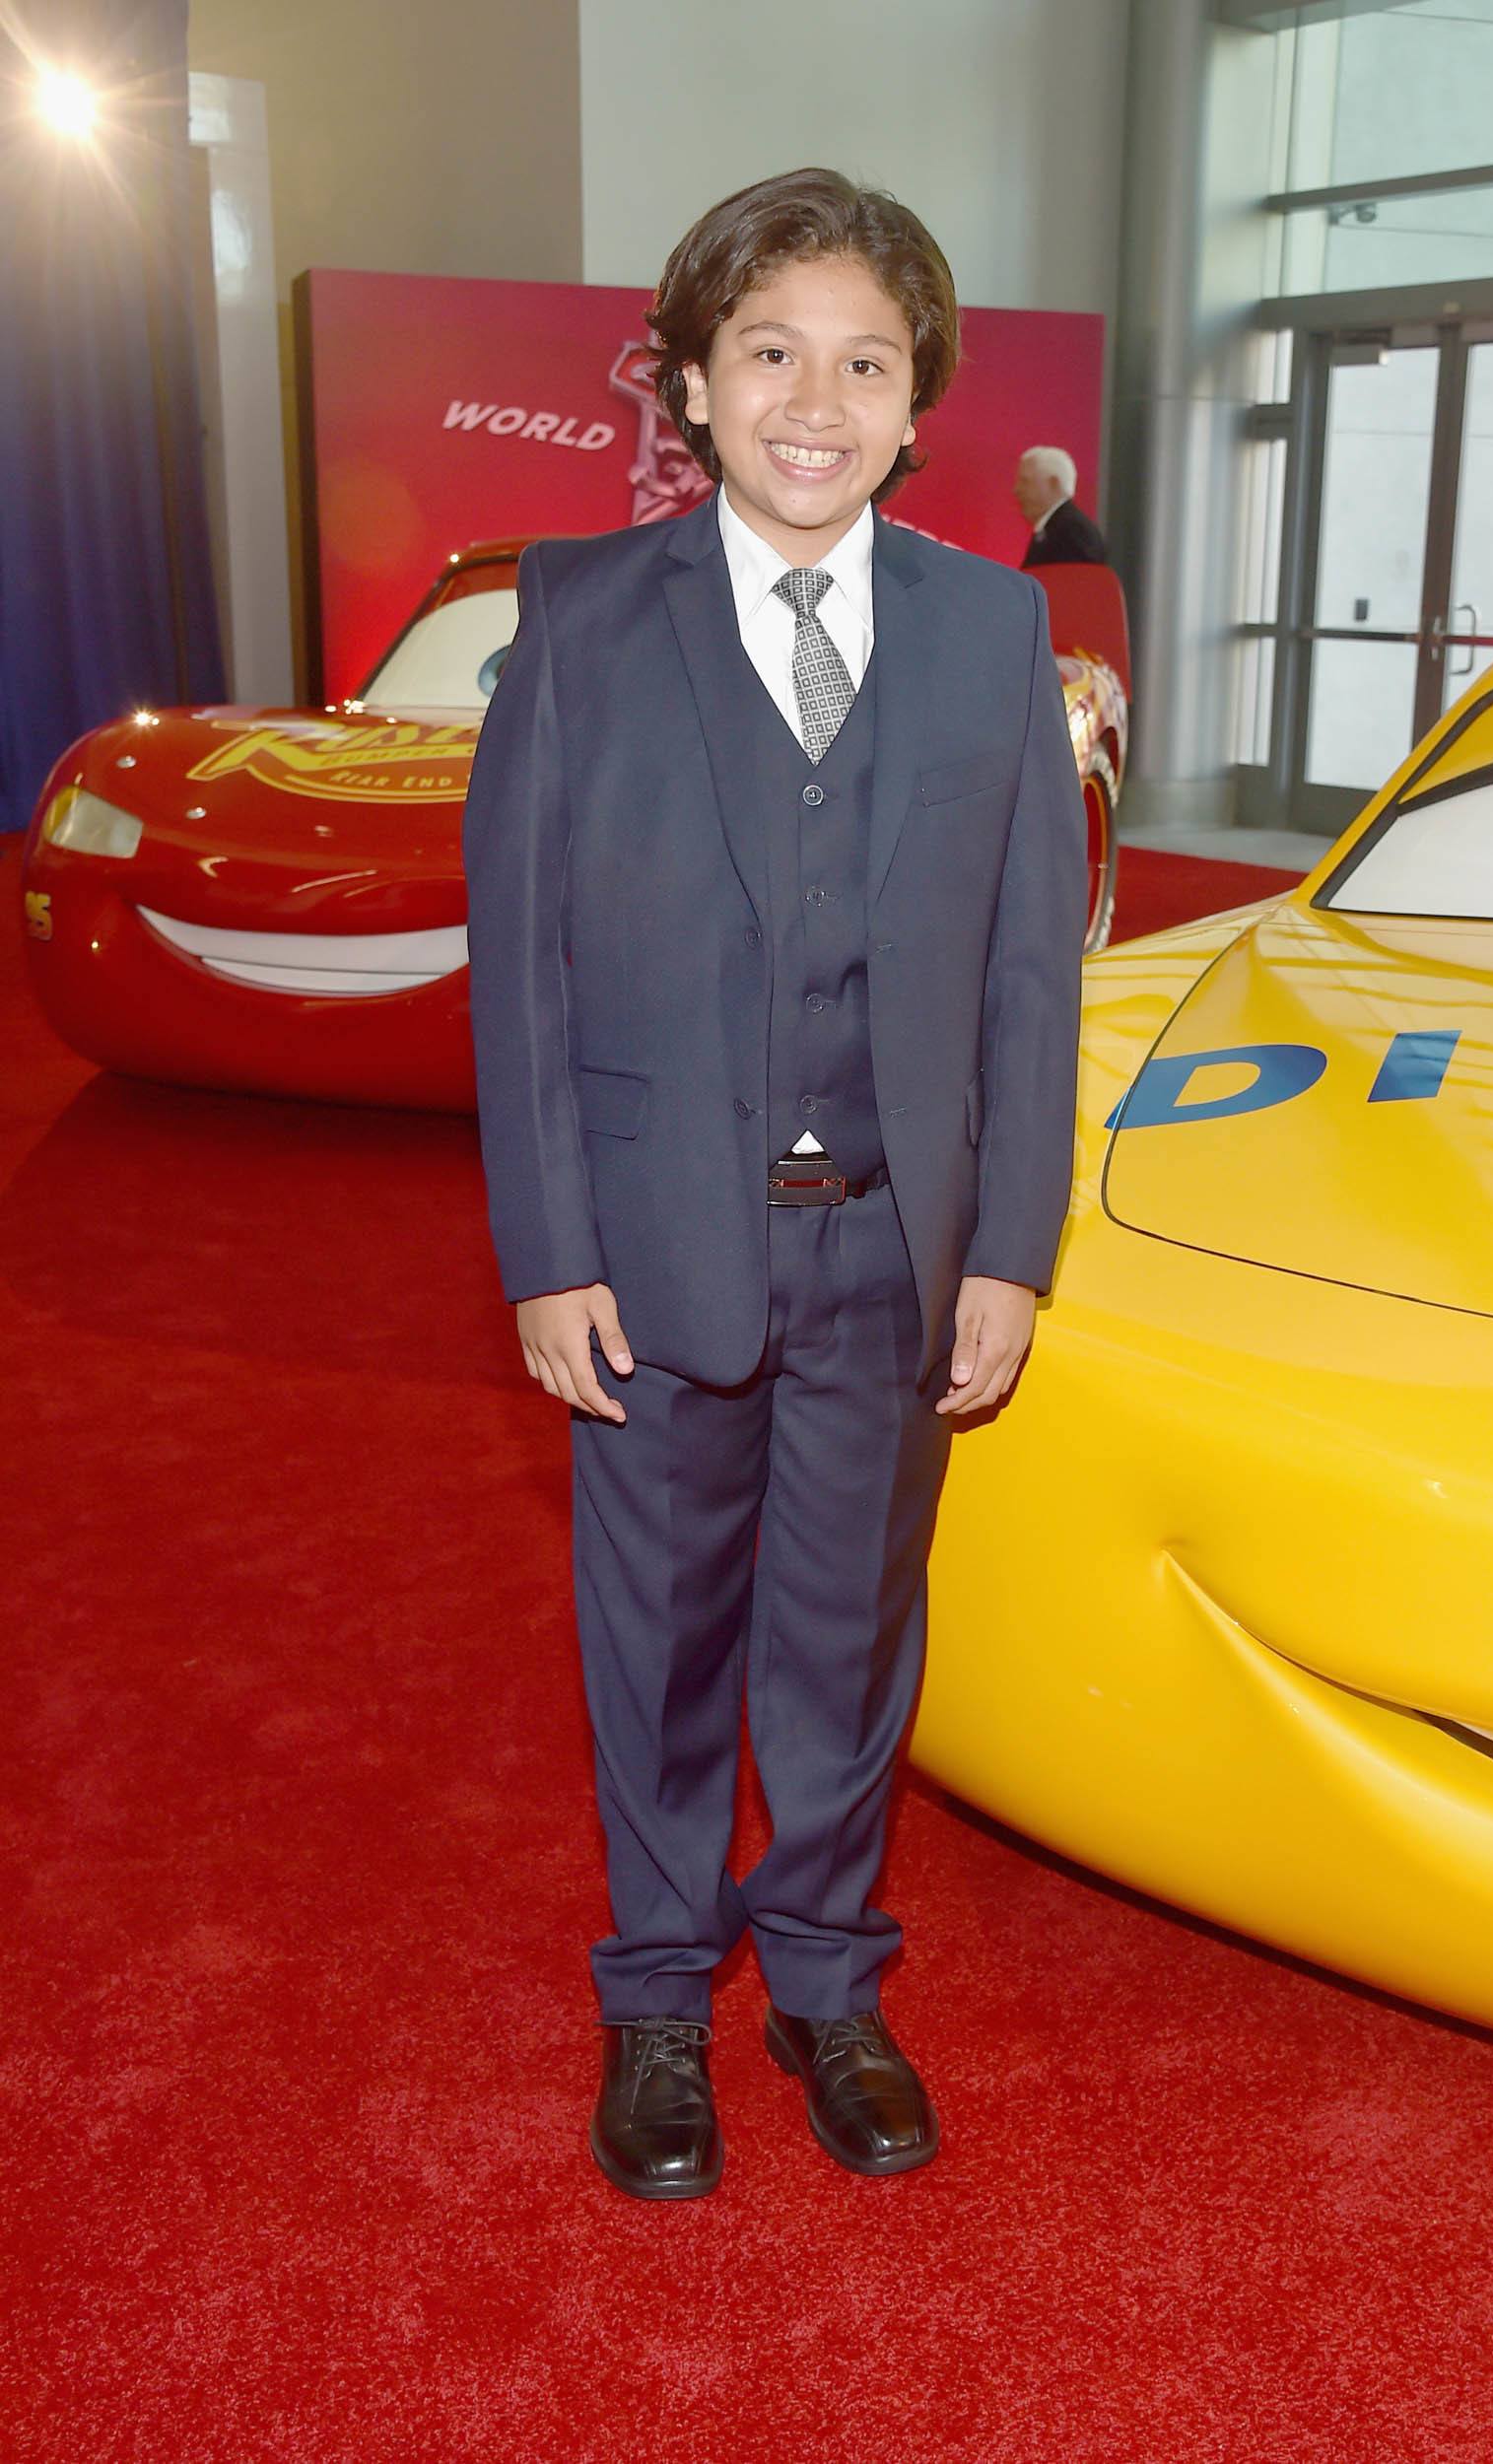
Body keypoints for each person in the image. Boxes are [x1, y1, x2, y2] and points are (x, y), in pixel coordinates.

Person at [462, 167, 1085, 2202]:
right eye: (769, 354)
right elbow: (524, 963)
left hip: (893, 1251)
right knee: (653, 1639)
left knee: (846, 1637)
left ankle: (824, 1976)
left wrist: (1008, 1248)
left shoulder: (994, 631)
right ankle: (658, 1995)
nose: (815, 404)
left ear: (918, 404)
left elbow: (1028, 974)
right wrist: (548, 1251)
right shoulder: (577, 618)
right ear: (691, 384)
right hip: (655, 1251)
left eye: (865, 364)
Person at [1014, 445, 1108, 568]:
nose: (1017, 490)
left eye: (1025, 482)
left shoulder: (1073, 532)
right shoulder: (1056, 528)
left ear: (1054, 484)